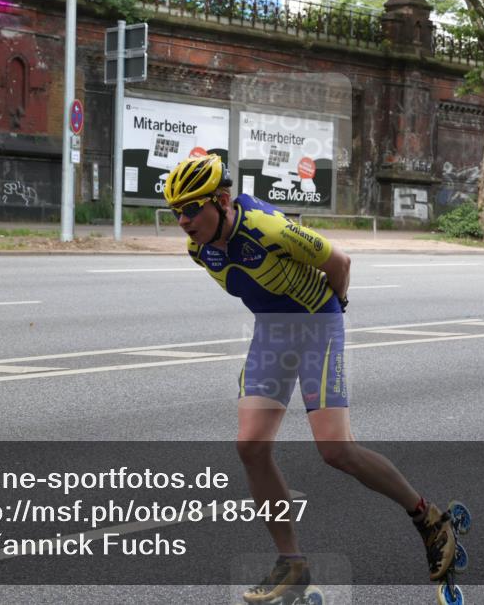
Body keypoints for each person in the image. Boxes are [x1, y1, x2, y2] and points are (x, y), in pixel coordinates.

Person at [163, 154, 458, 602]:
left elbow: (339, 262)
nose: (183, 221)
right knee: (250, 446)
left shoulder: (268, 228)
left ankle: (428, 518)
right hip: (272, 331)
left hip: (317, 322)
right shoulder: (197, 248)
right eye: (175, 211)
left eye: (191, 208)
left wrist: (333, 310)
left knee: (335, 449)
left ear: (222, 201)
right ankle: (292, 564)